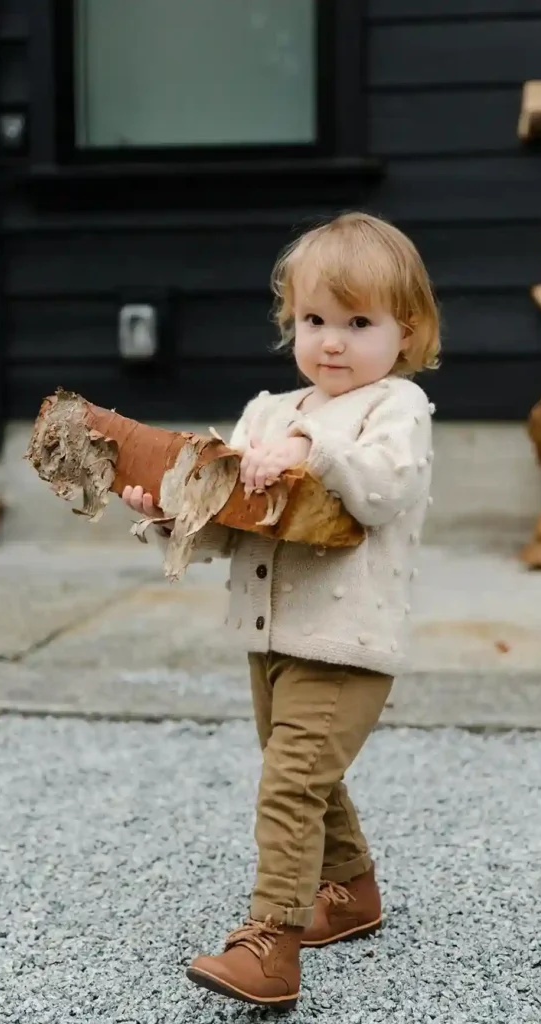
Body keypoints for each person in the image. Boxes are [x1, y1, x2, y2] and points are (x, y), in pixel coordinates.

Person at [122, 211, 439, 1011]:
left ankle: (273, 941)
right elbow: (235, 521)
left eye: (357, 322)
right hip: (271, 633)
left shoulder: (393, 410)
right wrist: (168, 512)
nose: (331, 341)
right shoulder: (267, 412)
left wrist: (311, 450)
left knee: (290, 783)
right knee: (303, 772)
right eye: (312, 320)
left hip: (346, 641)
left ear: (406, 332)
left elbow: (380, 490)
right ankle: (353, 891)